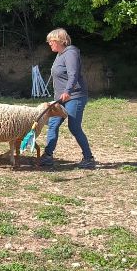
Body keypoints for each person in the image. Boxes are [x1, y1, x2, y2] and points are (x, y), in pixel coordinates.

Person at [41, 28, 96, 169]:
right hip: (60, 98)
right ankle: (47, 156)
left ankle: (88, 158)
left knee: (74, 127)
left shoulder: (70, 53)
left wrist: (67, 91)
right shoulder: (60, 55)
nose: (49, 43)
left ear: (60, 40)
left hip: (74, 96)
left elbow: (73, 74)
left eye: (51, 41)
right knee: (53, 124)